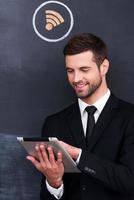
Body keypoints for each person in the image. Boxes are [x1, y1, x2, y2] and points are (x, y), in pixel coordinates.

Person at [27, 33, 134, 200]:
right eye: (70, 71)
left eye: (84, 69)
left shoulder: (130, 117)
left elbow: (130, 180)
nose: (76, 79)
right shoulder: (54, 123)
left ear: (104, 67)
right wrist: (54, 182)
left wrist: (79, 155)